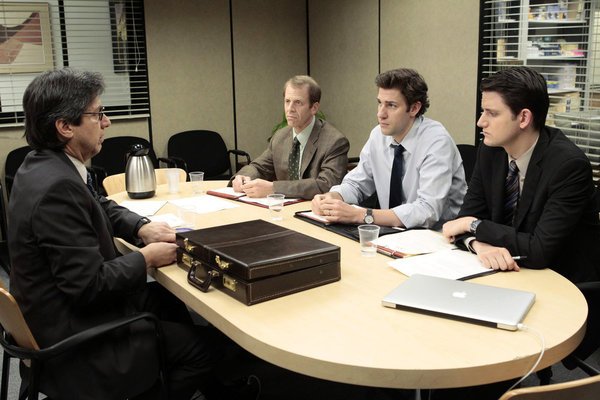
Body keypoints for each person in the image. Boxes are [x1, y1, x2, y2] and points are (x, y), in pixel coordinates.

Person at [7, 68, 222, 400]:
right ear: (65, 127)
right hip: (77, 344)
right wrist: (145, 258)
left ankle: (173, 371)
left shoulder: (41, 165)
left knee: (170, 301)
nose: (106, 122)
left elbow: (98, 204)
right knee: (201, 351)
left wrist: (141, 226)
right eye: (98, 114)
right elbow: (89, 286)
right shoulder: (57, 188)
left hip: (55, 314)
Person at [442, 66, 600, 284]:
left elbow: (539, 250)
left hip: (561, 283)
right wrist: (479, 245)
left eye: (492, 113)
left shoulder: (568, 166)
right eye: (483, 111)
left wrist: (474, 226)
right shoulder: (491, 151)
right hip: (506, 274)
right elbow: (461, 222)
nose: (481, 122)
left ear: (524, 117)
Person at [311, 68, 466, 230]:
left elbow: (427, 210)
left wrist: (362, 215)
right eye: (380, 103)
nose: (381, 114)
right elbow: (357, 183)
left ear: (414, 108)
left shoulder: (436, 142)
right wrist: (334, 197)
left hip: (436, 238)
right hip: (391, 234)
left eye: (391, 105)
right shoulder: (378, 135)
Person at [231, 75, 349, 199]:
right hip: (284, 210)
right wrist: (243, 178)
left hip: (316, 211)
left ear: (314, 108)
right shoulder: (281, 136)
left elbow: (327, 185)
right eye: (287, 101)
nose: (290, 109)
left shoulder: (335, 141)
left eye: (298, 102)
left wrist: (273, 189)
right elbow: (258, 167)